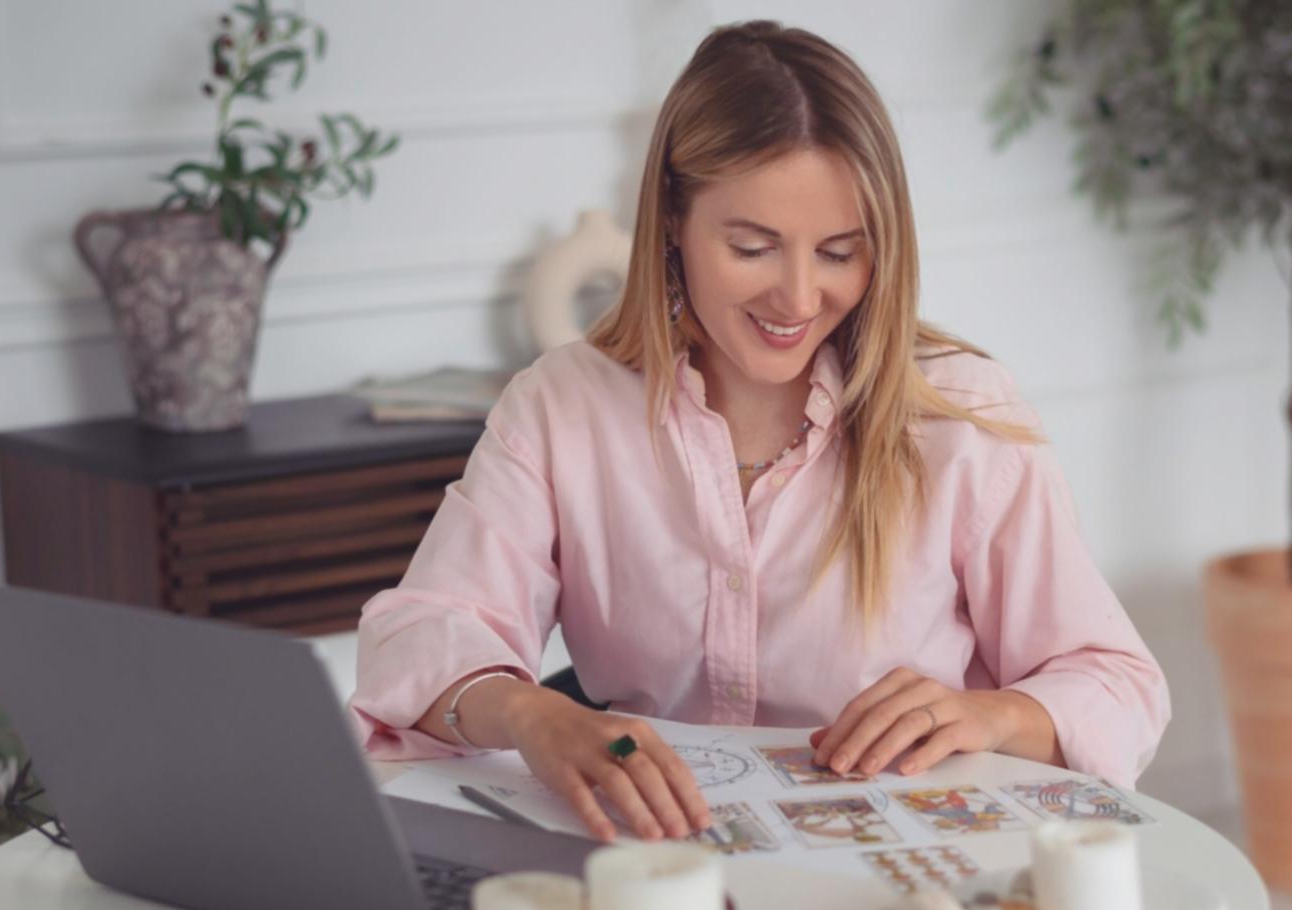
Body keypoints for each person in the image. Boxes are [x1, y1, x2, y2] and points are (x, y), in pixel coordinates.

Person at [348, 20, 1171, 845]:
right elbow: (418, 633)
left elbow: (1120, 685)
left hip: (900, 879)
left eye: (841, 252)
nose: (800, 297)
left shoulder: (958, 416)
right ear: (672, 217)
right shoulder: (564, 405)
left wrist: (990, 716)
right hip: (654, 870)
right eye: (753, 247)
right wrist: (529, 713)